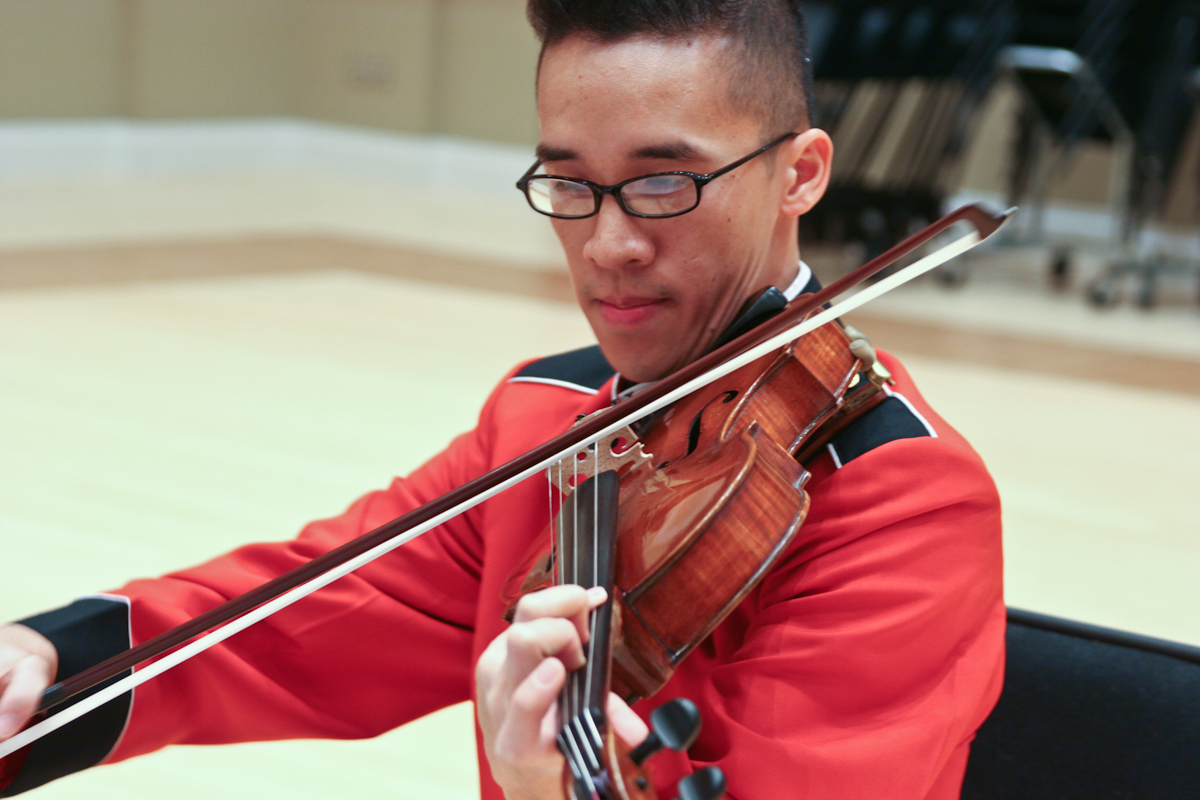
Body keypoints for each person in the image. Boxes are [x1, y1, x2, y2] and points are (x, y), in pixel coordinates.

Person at [0, 1, 1005, 798]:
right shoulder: (550, 416)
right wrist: (49, 657)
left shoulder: (901, 502)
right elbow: (308, 612)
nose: (609, 243)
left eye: (664, 186)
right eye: (569, 184)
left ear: (801, 174)